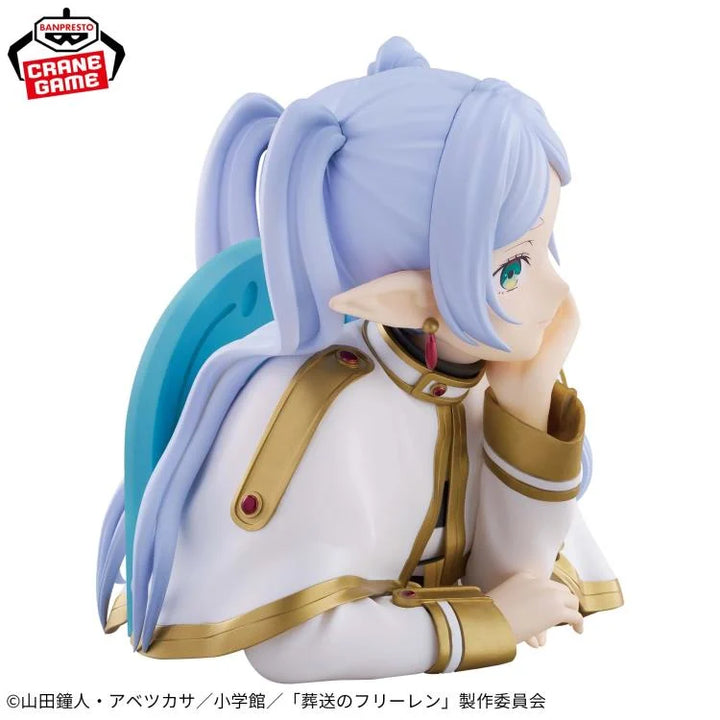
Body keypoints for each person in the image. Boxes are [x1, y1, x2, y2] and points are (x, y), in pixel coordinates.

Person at [96, 36, 622, 682]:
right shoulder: (328, 413)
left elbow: (516, 581)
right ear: (397, 298)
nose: (558, 290)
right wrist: (487, 625)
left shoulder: (493, 376)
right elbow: (290, 647)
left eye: (544, 246)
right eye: (512, 267)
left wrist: (527, 401)